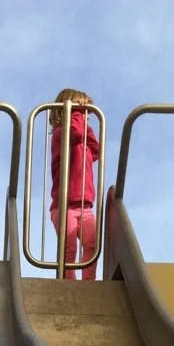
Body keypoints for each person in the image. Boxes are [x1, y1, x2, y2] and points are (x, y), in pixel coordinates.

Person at [49, 89, 100, 281]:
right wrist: (77, 114)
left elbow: (96, 150)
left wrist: (85, 121)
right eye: (80, 107)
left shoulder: (81, 138)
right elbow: (76, 133)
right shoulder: (62, 135)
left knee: (92, 245)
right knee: (68, 249)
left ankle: (88, 284)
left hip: (85, 206)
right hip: (64, 205)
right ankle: (69, 285)